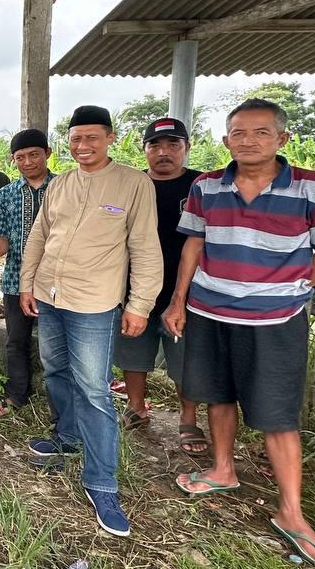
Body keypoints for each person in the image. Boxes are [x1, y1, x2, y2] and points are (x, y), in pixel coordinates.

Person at [164, 99, 315, 569]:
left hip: (275, 317)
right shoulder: (207, 186)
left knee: (277, 413)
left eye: (260, 132)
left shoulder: (314, 188)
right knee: (218, 394)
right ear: (226, 140)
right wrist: (179, 300)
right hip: (210, 307)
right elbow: (194, 243)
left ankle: (292, 511)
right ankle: (223, 469)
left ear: (282, 139)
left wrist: (293, 285)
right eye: (238, 133)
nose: (248, 141)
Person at [18, 105, 161, 538]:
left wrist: (140, 304)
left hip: (94, 304)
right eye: (76, 139)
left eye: (92, 138)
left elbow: (145, 248)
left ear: (110, 137)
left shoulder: (134, 184)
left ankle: (102, 484)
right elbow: (40, 235)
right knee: (57, 372)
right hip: (50, 295)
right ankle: (67, 436)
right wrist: (27, 284)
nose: (83, 146)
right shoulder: (61, 185)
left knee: (95, 390)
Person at [113, 118, 204, 452]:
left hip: (184, 289)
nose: (163, 153)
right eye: (155, 146)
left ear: (186, 148)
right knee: (133, 350)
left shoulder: (201, 187)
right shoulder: (132, 185)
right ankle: (136, 407)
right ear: (145, 150)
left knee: (185, 357)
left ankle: (188, 418)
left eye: (173, 145)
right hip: (134, 286)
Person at [0, 128, 56, 418]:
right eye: (20, 157)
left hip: (57, 282)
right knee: (16, 340)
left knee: (56, 345)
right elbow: (1, 235)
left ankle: (60, 402)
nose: (27, 162)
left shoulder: (64, 187)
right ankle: (17, 394)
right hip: (16, 278)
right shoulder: (6, 194)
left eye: (33, 155)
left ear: (47, 153)